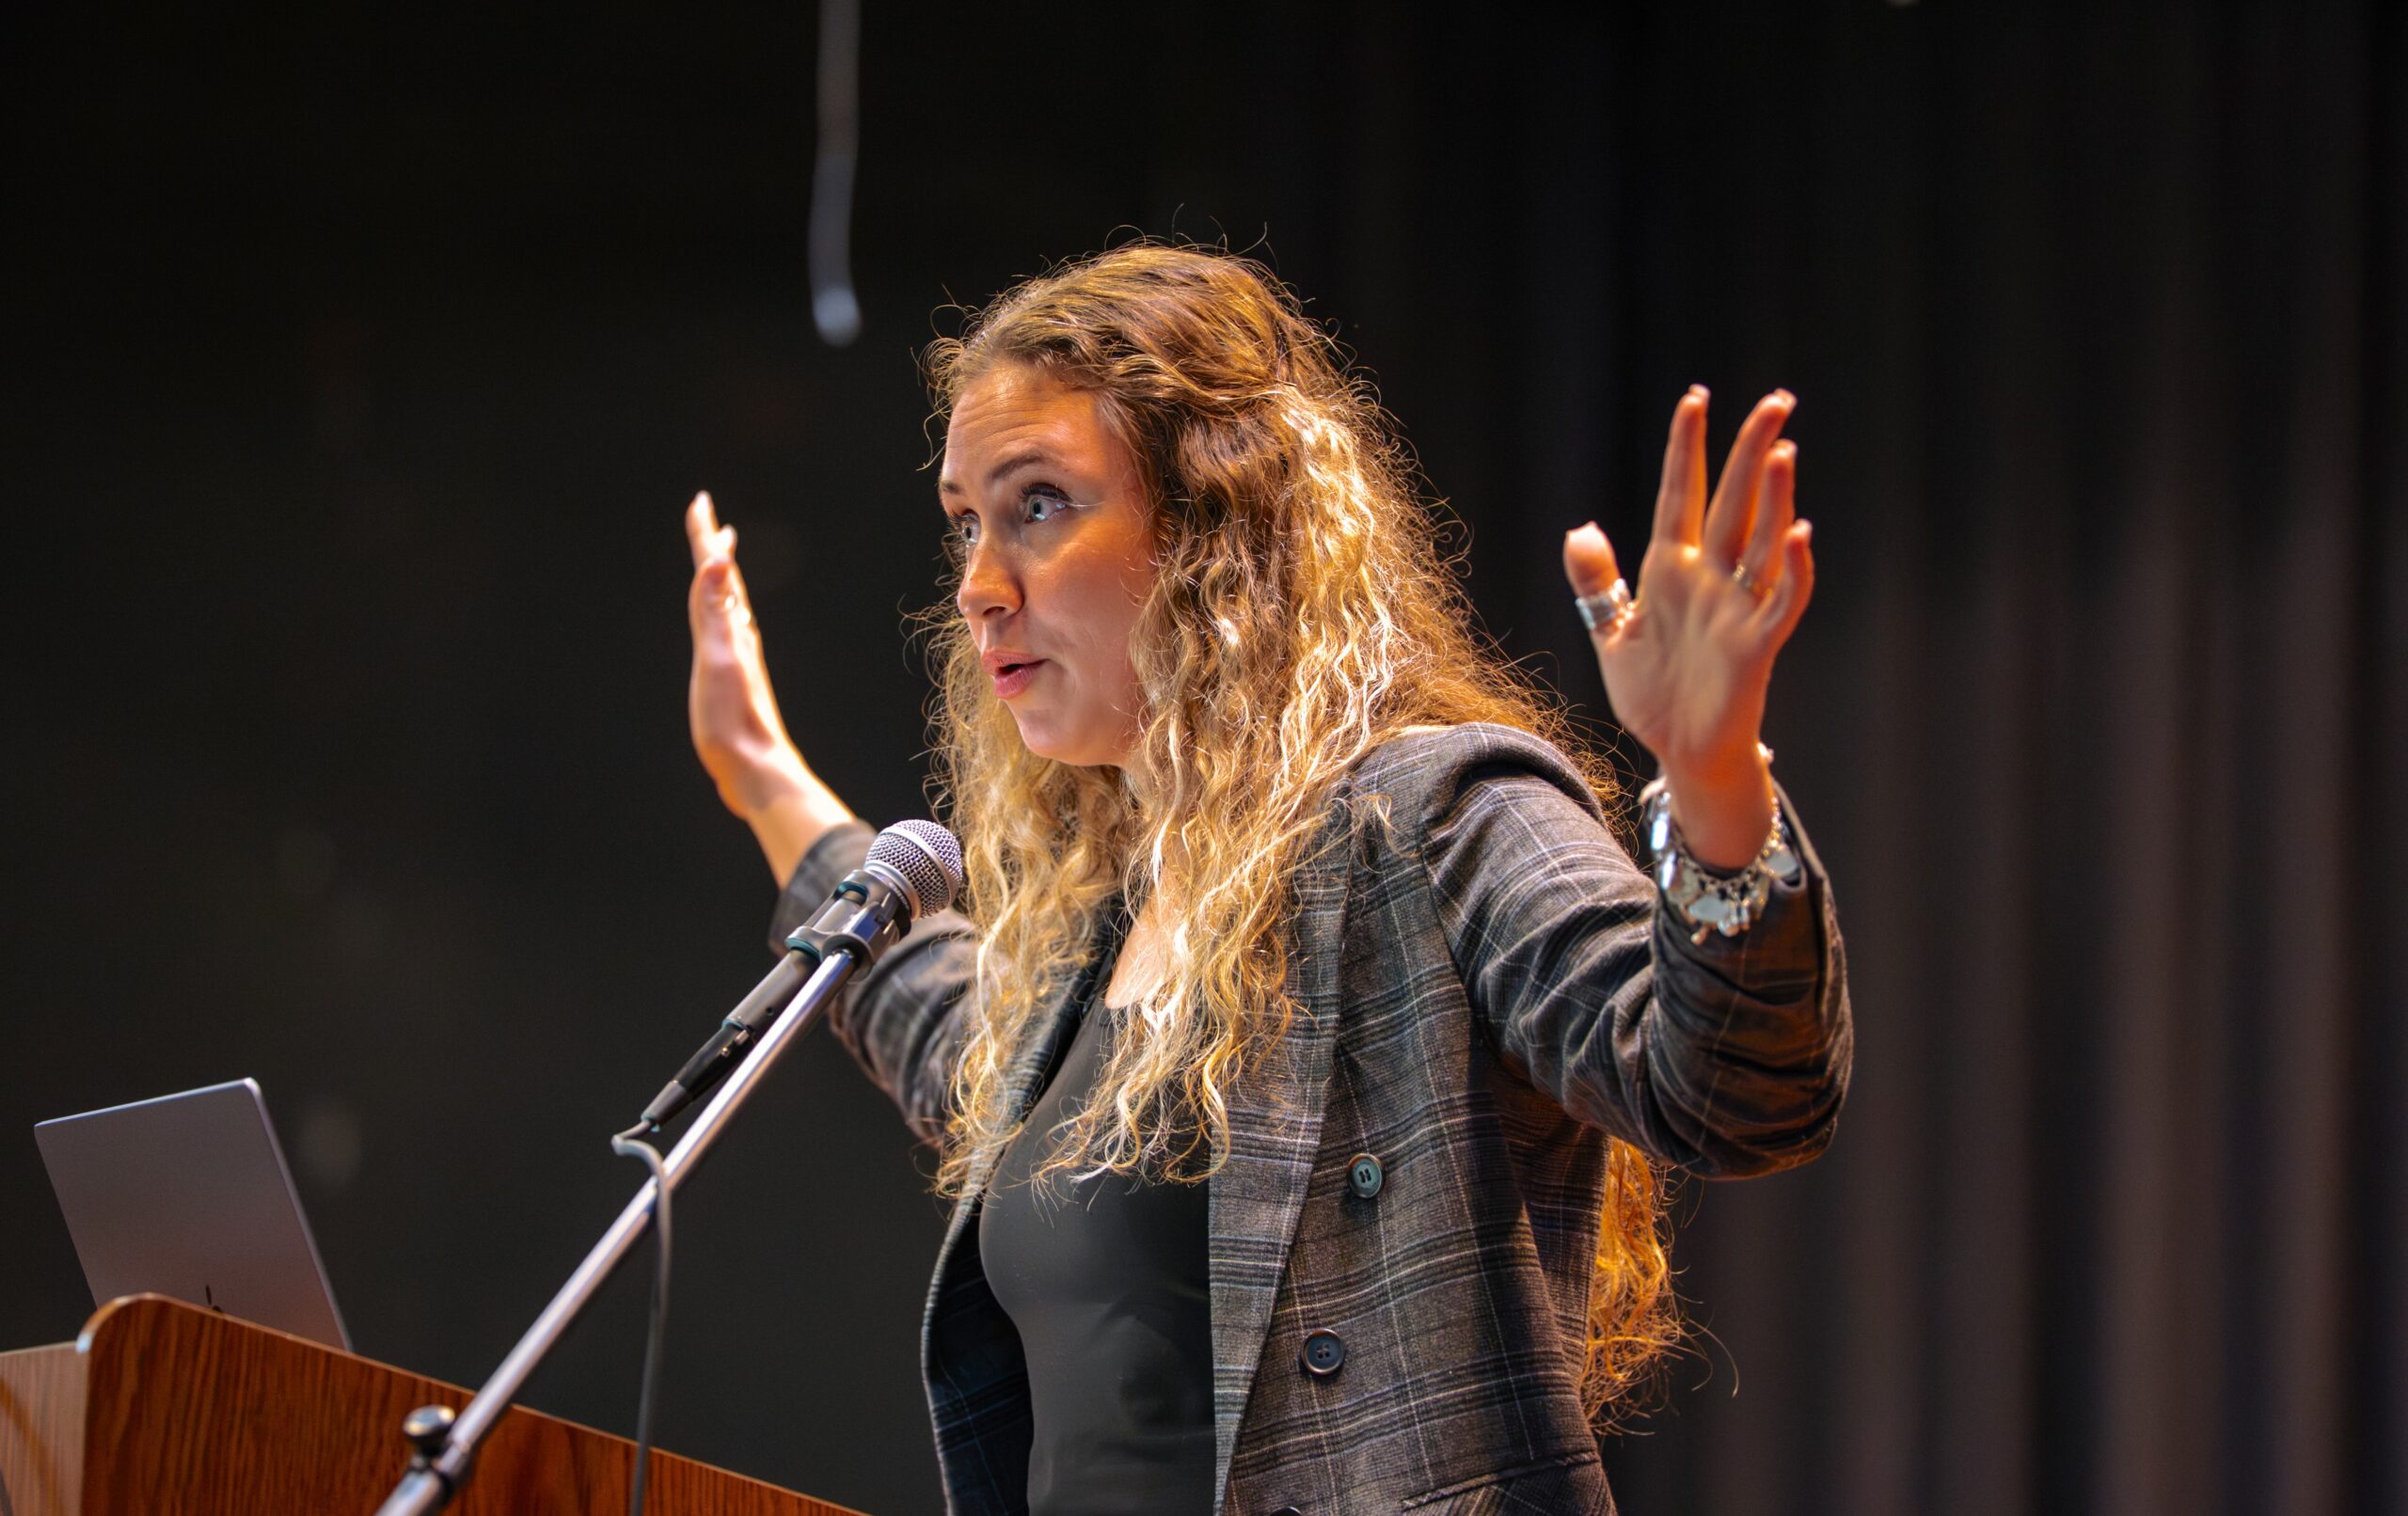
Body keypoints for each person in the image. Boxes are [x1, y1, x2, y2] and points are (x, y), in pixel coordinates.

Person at [681, 245, 1850, 1516]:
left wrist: (1716, 774)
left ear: (1212, 528)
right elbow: (945, 1022)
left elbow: (1734, 1085)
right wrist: (760, 775)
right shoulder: (1106, 930)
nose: (976, 588)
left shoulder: (1434, 816)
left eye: (1038, 505)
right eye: (966, 521)